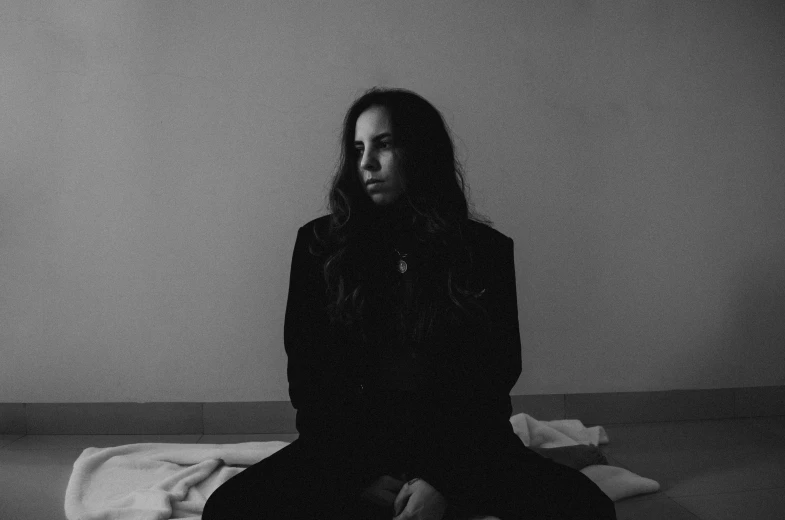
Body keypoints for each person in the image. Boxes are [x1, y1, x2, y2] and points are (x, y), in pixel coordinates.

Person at [203, 88, 616, 519]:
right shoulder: (319, 246)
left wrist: (446, 481)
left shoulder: (484, 251)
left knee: (590, 510)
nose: (366, 163)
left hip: (461, 447)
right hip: (352, 449)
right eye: (358, 148)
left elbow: (492, 379)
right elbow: (309, 381)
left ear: (421, 152)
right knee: (228, 511)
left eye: (383, 144)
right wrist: (356, 475)